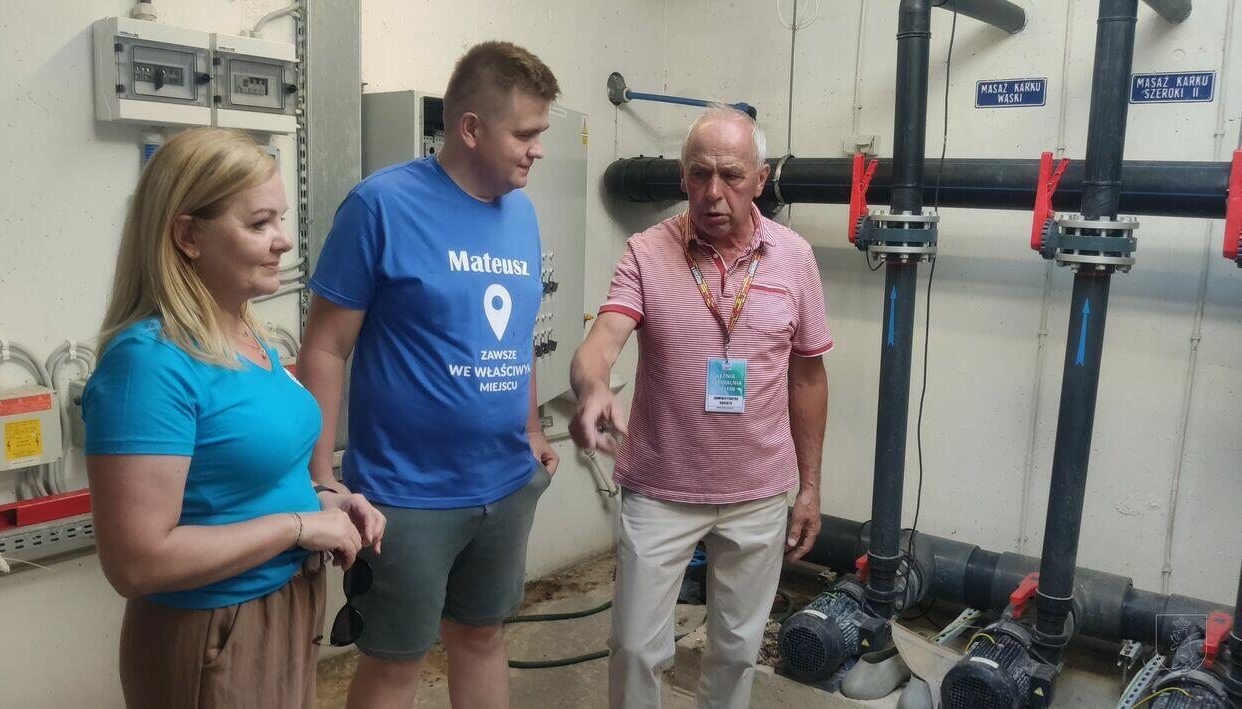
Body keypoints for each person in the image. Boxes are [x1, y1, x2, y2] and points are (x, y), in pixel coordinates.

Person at [297, 41, 560, 709]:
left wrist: (532, 430)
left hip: (504, 483)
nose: (538, 150)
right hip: (406, 495)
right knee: (395, 663)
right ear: (470, 128)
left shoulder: (522, 213)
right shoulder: (380, 206)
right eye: (525, 134)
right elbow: (326, 346)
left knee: (482, 638)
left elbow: (519, 334)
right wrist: (320, 474)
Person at [84, 127, 385, 709]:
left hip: (285, 605)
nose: (285, 241)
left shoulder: (248, 334)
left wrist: (326, 500)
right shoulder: (150, 363)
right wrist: (297, 528)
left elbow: (245, 478)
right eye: (259, 224)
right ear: (188, 236)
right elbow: (137, 564)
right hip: (215, 629)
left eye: (281, 219)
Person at [569, 105, 833, 709]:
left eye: (731, 175)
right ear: (682, 177)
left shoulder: (795, 258)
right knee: (635, 648)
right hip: (661, 487)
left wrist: (810, 487)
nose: (713, 192)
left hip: (758, 491)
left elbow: (808, 378)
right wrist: (592, 386)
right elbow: (601, 342)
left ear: (760, 180)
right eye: (698, 174)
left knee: (736, 651)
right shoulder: (646, 251)